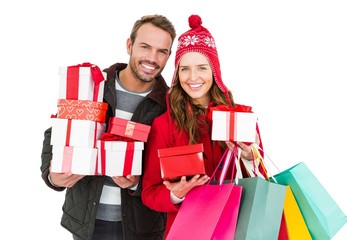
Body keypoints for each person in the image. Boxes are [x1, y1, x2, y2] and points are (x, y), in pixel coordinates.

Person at [40, 14, 176, 240]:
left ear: (169, 55)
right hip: (87, 223)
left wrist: (137, 184)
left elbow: (171, 170)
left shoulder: (171, 104)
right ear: (129, 45)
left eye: (162, 51)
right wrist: (52, 176)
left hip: (142, 228)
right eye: (145, 47)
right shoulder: (92, 86)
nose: (152, 58)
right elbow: (55, 133)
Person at [141, 14, 264, 238]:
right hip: (187, 231)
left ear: (214, 71)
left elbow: (261, 177)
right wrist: (175, 195)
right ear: (177, 74)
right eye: (185, 69)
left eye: (202, 68)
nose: (193, 77)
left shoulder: (240, 117)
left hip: (237, 229)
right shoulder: (164, 125)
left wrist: (250, 157)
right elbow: (149, 193)